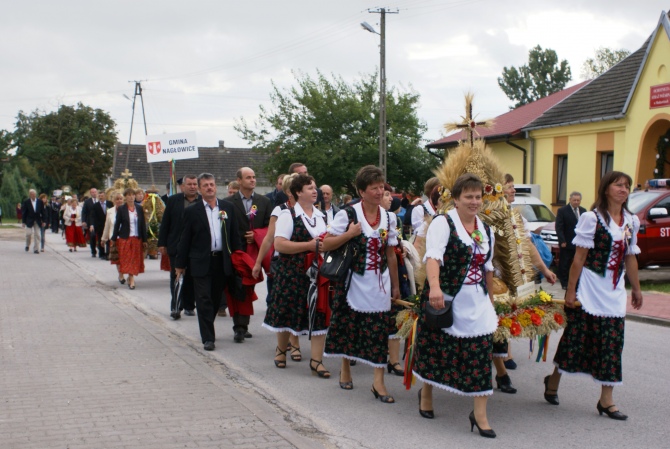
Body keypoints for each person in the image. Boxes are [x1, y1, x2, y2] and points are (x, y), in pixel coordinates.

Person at [544, 171, 643, 420]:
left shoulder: (631, 221)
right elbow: (579, 259)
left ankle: (606, 400)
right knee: (575, 339)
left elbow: (630, 257)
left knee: (612, 343)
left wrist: (637, 288)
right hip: (589, 287)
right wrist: (570, 290)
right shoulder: (592, 218)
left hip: (614, 290)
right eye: (618, 185)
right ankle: (553, 380)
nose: (623, 189)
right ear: (606, 189)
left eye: (627, 186)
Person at [413, 173, 498, 438]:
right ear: (456, 199)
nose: (474, 202)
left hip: (478, 300)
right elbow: (433, 258)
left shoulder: (484, 228)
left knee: (481, 353)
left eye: (478, 197)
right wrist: (435, 288)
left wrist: (491, 298)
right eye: (468, 197)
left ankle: (480, 414)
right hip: (448, 298)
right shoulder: (443, 222)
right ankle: (426, 393)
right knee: (436, 349)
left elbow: (488, 266)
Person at [323, 165, 400, 402]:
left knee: (379, 331)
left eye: (381, 187)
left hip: (380, 283)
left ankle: (378, 382)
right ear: (361, 191)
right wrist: (349, 234)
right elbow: (326, 244)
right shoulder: (347, 215)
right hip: (353, 281)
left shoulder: (389, 217)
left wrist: (396, 286)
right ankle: (345, 368)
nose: (379, 192)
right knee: (350, 327)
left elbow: (390, 254)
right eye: (373, 188)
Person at [491, 174, 557, 387]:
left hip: (509, 278)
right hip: (488, 277)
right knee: (493, 323)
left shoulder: (517, 217)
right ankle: (500, 370)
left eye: (512, 187)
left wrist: (545, 270)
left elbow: (528, 246)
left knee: (501, 322)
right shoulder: (487, 214)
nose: (512, 191)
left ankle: (501, 368)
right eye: (508, 187)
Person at [263, 174, 330, 376]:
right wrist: (309, 246)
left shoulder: (321, 216)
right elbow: (279, 244)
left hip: (315, 273)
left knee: (318, 314)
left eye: (315, 187)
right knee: (287, 311)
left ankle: (316, 361)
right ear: (298, 192)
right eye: (310, 188)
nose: (314, 191)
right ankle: (282, 349)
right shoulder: (288, 215)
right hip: (291, 272)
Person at [175, 173, 241, 351]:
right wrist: (180, 264)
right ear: (199, 189)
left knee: (213, 298)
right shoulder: (192, 211)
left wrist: (238, 259)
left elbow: (235, 235)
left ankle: (207, 326)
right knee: (203, 299)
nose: (210, 188)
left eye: (212, 184)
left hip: (222, 261)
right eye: (205, 186)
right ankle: (208, 338)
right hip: (200, 261)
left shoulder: (228, 208)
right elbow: (185, 239)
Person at [224, 167, 272, 342]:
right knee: (238, 287)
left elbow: (271, 227)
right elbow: (225, 227)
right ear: (239, 180)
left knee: (248, 287)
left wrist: (257, 234)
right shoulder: (228, 202)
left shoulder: (264, 202)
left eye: (254, 177)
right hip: (237, 252)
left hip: (255, 253)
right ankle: (240, 326)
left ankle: (243, 323)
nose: (252, 180)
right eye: (248, 177)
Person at [158, 174, 200, 320]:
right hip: (176, 245)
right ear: (183, 186)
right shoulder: (173, 201)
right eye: (190, 184)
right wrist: (162, 243)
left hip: (195, 247)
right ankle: (176, 307)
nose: (193, 187)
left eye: (195, 184)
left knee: (192, 278)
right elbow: (166, 223)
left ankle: (189, 306)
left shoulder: (202, 201)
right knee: (176, 277)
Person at [111, 188, 147, 290]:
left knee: (134, 259)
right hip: (125, 238)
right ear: (125, 197)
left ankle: (131, 278)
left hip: (136, 238)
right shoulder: (122, 209)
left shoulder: (139, 209)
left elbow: (142, 225)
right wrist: (114, 238)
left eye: (133, 195)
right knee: (127, 259)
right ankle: (129, 278)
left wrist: (144, 240)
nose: (131, 197)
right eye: (129, 195)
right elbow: (117, 224)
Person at [555, 191, 586, 289]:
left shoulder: (583, 211)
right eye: (574, 200)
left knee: (577, 262)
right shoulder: (562, 210)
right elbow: (559, 227)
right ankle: (564, 283)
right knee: (565, 263)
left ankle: (577, 283)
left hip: (580, 243)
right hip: (567, 242)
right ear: (570, 200)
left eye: (578, 200)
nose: (576, 202)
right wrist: (562, 240)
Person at [101, 191, 126, 284]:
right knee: (117, 258)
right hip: (114, 238)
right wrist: (104, 239)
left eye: (120, 199)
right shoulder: (110, 211)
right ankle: (121, 274)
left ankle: (125, 272)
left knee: (125, 257)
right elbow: (107, 226)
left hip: (125, 237)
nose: (119, 201)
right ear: (114, 200)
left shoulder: (127, 210)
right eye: (117, 199)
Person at [21, 189, 46, 254]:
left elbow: (43, 212)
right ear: (30, 195)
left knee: (37, 234)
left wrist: (44, 221)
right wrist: (23, 222)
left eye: (34, 194)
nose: (33, 195)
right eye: (32, 194)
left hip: (37, 220)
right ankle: (27, 244)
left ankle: (36, 249)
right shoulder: (26, 202)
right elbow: (24, 212)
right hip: (29, 220)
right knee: (28, 234)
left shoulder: (40, 202)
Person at [92, 190, 112, 260]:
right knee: (101, 239)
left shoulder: (110, 204)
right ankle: (102, 253)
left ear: (105, 196)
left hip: (109, 225)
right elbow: (94, 216)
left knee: (109, 239)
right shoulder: (96, 205)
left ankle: (108, 253)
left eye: (102, 196)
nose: (101, 197)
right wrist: (94, 225)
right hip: (100, 225)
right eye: (99, 196)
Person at [81, 188, 99, 258]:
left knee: (100, 236)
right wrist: (83, 221)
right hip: (91, 222)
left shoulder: (100, 201)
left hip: (99, 222)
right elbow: (84, 212)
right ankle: (93, 251)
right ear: (90, 193)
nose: (94, 193)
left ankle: (101, 250)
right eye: (92, 192)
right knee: (92, 236)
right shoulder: (87, 202)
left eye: (95, 192)